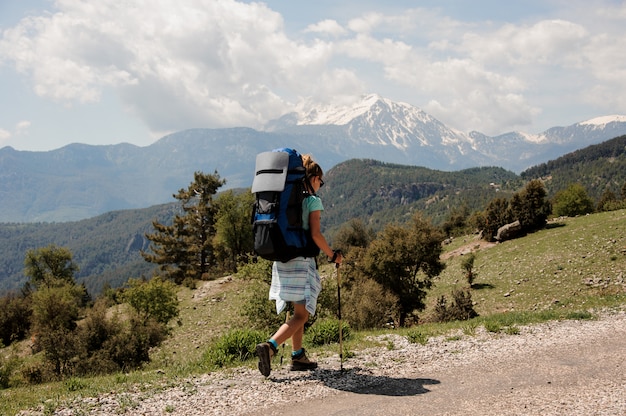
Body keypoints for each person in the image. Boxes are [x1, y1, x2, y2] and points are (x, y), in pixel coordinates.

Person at [256, 154, 343, 377]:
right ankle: (270, 346)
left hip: (283, 257)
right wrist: (332, 255)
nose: (320, 185)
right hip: (301, 260)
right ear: (313, 178)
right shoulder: (312, 201)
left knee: (296, 310)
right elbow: (315, 234)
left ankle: (298, 356)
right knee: (302, 316)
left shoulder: (288, 200)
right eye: (320, 181)